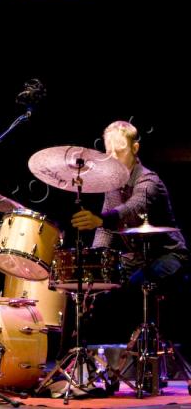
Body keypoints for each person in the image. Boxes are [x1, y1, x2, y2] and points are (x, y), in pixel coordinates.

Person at [70, 120, 189, 343]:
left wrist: (102, 220)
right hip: (136, 258)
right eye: (109, 153)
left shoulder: (149, 180)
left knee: (133, 287)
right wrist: (95, 263)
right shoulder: (112, 185)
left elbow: (134, 207)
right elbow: (105, 231)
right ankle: (85, 351)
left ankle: (138, 347)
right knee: (88, 287)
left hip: (169, 255)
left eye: (120, 151)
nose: (114, 157)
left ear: (135, 149)